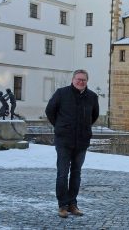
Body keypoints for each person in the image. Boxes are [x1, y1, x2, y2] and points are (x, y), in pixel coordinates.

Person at [45, 69, 99, 218]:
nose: (81, 82)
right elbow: (50, 111)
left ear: (87, 81)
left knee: (76, 174)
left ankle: (72, 204)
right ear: (73, 79)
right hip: (64, 140)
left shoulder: (92, 97)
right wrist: (60, 126)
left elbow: (94, 116)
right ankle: (62, 205)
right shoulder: (61, 93)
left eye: (84, 80)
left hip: (82, 141)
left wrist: (84, 128)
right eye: (78, 79)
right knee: (62, 174)